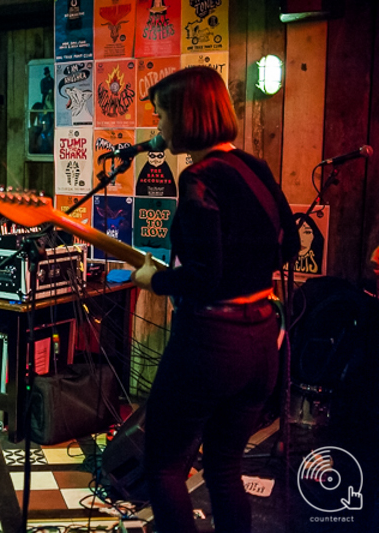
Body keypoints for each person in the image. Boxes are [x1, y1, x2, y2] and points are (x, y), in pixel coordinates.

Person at [129, 67, 299, 533]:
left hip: (210, 343)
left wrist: (154, 281)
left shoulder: (199, 178)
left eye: (162, 115)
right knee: (224, 468)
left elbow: (206, 276)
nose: (158, 127)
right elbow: (291, 247)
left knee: (164, 465)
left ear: (186, 117)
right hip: (262, 340)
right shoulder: (254, 166)